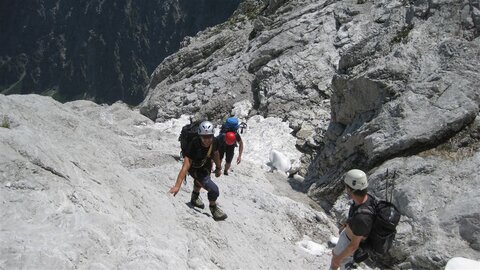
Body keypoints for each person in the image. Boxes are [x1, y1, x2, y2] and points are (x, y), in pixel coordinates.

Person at [169, 121, 228, 221]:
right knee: (214, 189)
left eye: (209, 136)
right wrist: (177, 186)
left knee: (201, 180)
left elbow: (216, 153)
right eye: (204, 137)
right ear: (200, 136)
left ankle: (194, 197)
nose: (207, 140)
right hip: (194, 168)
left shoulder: (214, 141)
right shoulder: (194, 144)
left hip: (206, 164)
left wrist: (218, 168)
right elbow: (186, 166)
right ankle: (213, 207)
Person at [330, 169, 375, 270]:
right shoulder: (367, 199)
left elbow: (353, 246)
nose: (346, 189)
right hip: (350, 237)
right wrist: (347, 225)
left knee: (336, 262)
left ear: (350, 190)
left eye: (346, 187)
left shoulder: (362, 218)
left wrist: (338, 258)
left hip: (349, 243)